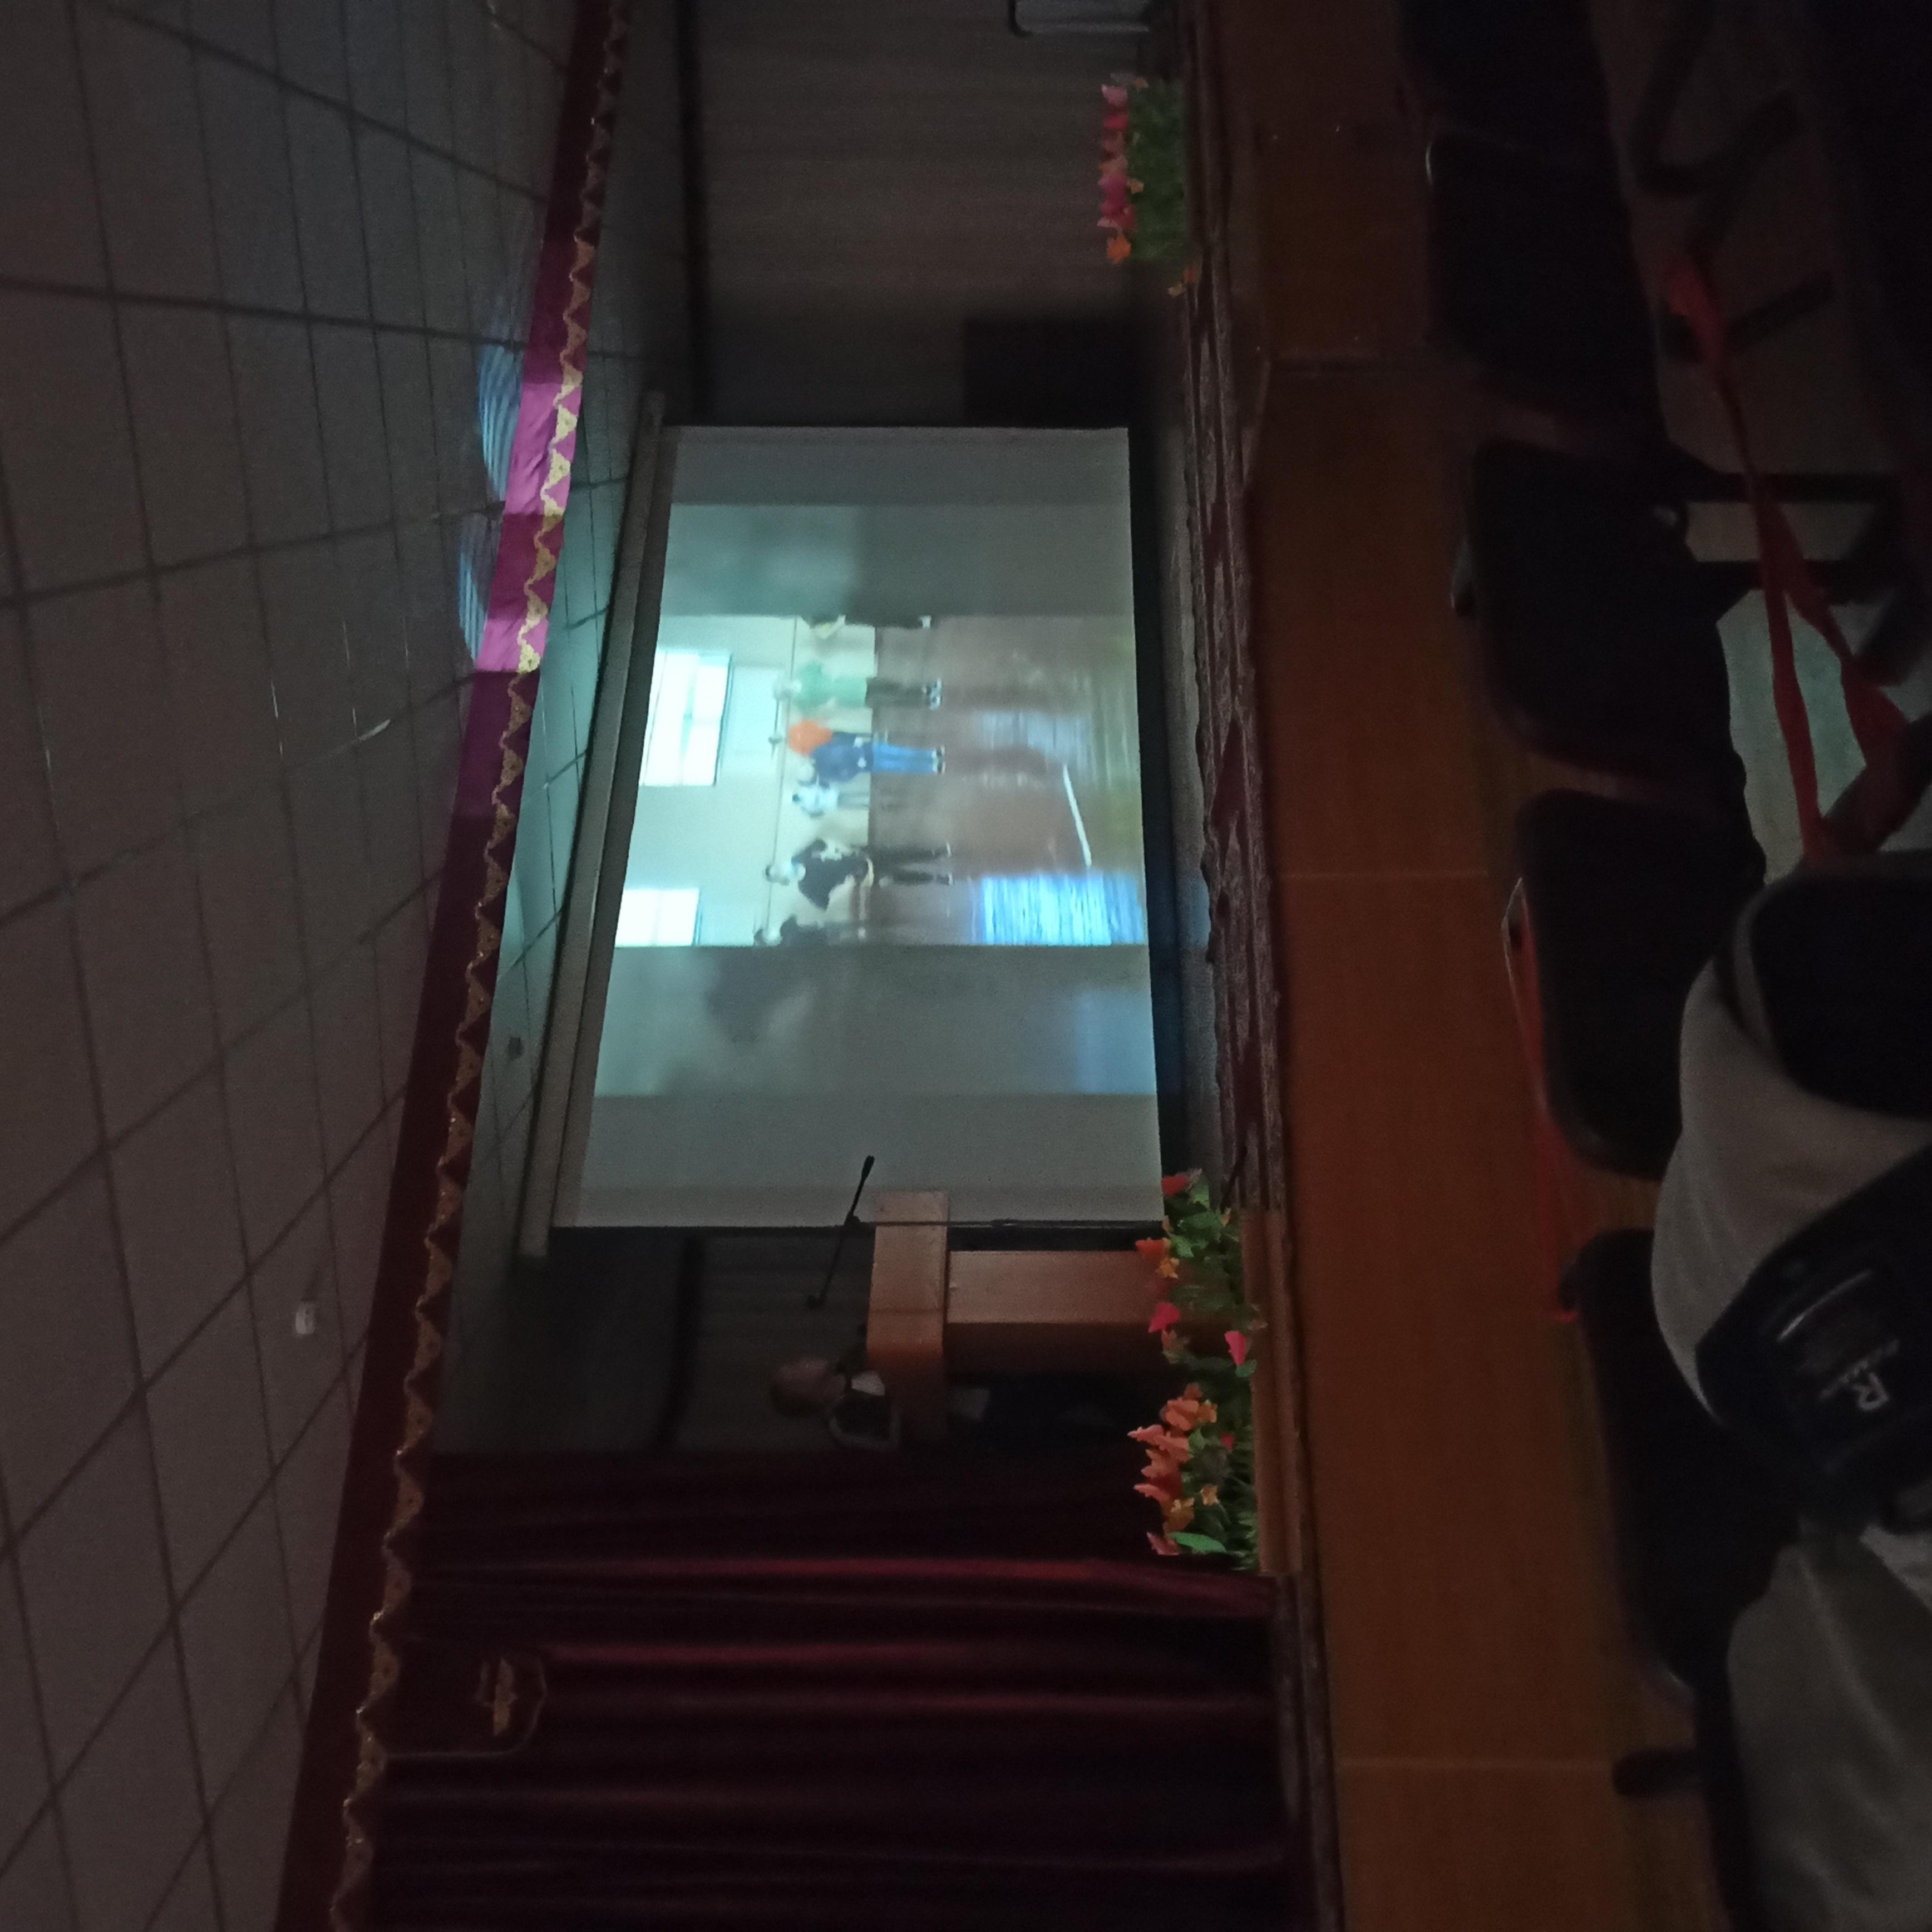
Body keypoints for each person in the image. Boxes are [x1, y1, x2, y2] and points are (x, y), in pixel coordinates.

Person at [768, 1351, 1141, 1455]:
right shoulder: (843, 1423)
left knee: (1079, 1380)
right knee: (1081, 1438)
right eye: (796, 1369)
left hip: (983, 1385)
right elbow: (898, 1437)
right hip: (978, 1421)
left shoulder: (857, 1357)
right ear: (806, 1394)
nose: (804, 1361)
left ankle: (1148, 1416)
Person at [767, 840, 952, 910]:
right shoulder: (806, 887)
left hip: (859, 857)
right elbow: (825, 903)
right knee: (898, 876)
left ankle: (934, 854)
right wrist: (845, 887)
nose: (784, 869)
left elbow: (822, 843)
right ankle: (935, 878)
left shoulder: (800, 857)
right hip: (862, 877)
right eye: (779, 873)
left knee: (899, 854)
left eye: (779, 866)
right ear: (783, 880)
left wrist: (842, 848)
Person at [783, 720, 944, 785]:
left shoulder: (817, 752)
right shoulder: (825, 775)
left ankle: (930, 755)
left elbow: (835, 743)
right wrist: (857, 766)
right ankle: (930, 768)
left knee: (900, 752)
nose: (806, 769)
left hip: (866, 748)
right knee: (900, 766)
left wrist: (853, 740)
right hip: (868, 763)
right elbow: (844, 777)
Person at [781, 663, 940, 713]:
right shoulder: (799, 701)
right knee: (893, 700)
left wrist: (831, 672)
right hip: (852, 699)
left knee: (891, 685)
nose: (786, 689)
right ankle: (926, 701)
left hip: (852, 683)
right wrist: (828, 705)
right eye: (783, 691)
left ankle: (924, 688)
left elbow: (817, 665)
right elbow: (811, 711)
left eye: (784, 686)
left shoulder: (803, 673)